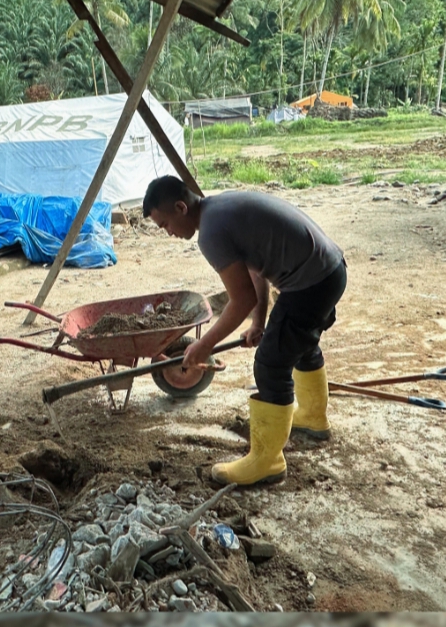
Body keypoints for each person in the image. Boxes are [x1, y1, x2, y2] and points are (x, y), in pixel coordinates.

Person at [143, 175, 346, 487]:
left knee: (270, 364)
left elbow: (240, 300)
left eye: (165, 224)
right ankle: (313, 419)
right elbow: (255, 268)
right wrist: (259, 322)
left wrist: (204, 345)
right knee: (297, 343)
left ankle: (267, 463)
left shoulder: (210, 232)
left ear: (181, 207)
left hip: (311, 282)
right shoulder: (220, 208)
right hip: (329, 271)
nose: (168, 232)